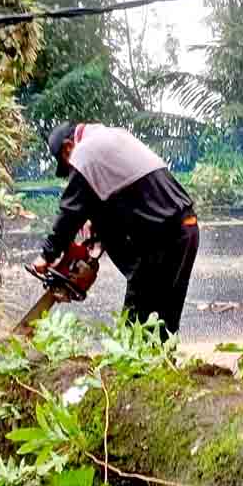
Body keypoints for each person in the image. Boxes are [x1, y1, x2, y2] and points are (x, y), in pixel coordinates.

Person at [30, 122, 199, 339]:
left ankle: (133, 366)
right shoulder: (111, 137)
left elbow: (71, 211)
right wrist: (95, 233)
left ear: (67, 148)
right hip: (185, 229)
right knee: (163, 323)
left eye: (67, 166)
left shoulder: (85, 151)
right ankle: (160, 368)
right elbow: (123, 196)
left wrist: (47, 254)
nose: (72, 171)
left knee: (137, 324)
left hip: (163, 239)